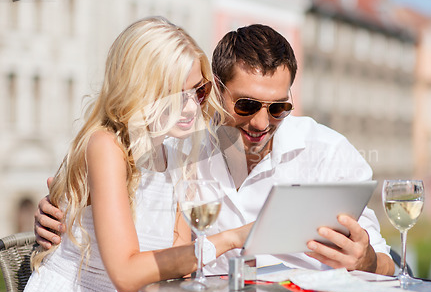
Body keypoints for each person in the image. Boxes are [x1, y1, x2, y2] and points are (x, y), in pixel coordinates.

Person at [35, 24, 394, 278]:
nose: (261, 123)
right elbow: (109, 202)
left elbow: (389, 265)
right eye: (246, 105)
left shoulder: (326, 152)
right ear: (216, 90)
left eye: (278, 108)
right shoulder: (175, 145)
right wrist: (59, 216)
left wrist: (365, 260)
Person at [12, 16, 249, 292]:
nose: (192, 107)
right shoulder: (106, 147)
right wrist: (231, 239)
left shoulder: (176, 157)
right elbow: (125, 276)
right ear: (142, 91)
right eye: (178, 95)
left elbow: (171, 279)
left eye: (199, 91)